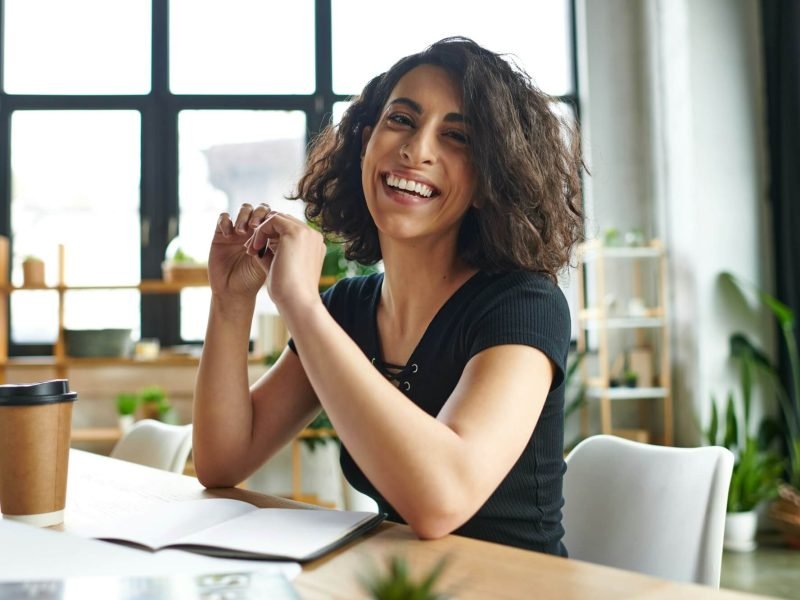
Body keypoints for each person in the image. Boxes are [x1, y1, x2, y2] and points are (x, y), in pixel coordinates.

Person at [193, 36, 584, 556]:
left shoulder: (524, 305)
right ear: (363, 141)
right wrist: (231, 303)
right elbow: (222, 462)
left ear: (490, 179)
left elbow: (439, 501)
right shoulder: (351, 310)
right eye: (401, 119)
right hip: (402, 582)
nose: (417, 150)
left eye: (458, 136)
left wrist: (301, 306)